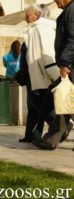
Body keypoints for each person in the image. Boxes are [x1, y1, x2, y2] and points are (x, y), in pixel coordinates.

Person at [33, 0, 74, 150]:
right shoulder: (68, 11)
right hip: (69, 64)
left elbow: (73, 40)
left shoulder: (71, 11)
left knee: (65, 101)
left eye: (57, 0)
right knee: (64, 101)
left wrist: (64, 64)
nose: (56, 2)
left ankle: (51, 139)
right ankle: (51, 139)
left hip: (70, 65)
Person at [18, 5, 60, 142]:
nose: (25, 17)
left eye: (28, 14)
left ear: (36, 15)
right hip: (34, 77)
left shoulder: (41, 29)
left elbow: (47, 54)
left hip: (42, 77)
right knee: (34, 107)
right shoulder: (32, 31)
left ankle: (59, 128)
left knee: (41, 106)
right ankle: (32, 135)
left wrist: (55, 75)